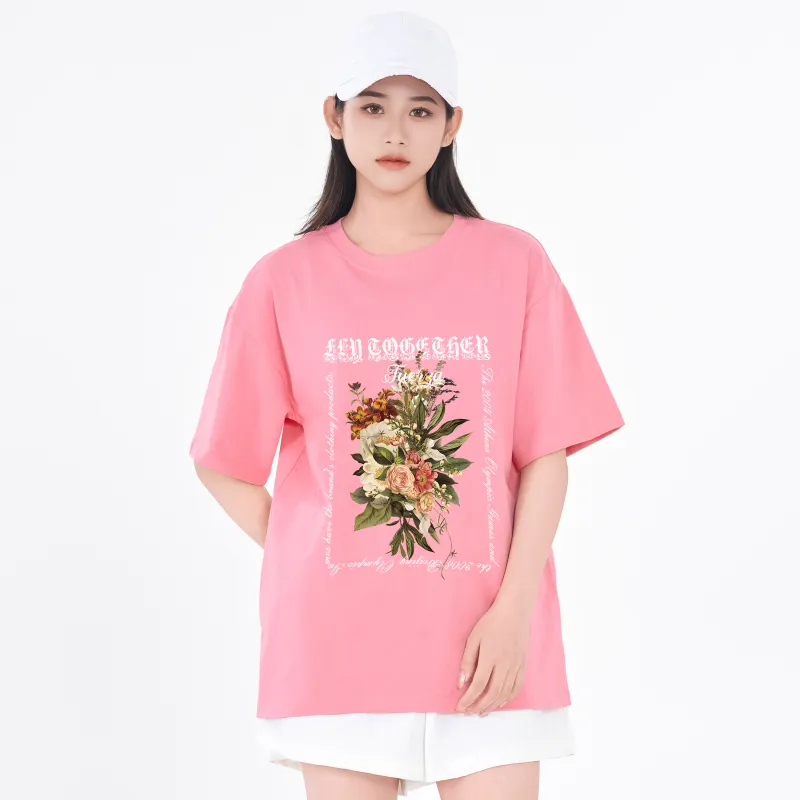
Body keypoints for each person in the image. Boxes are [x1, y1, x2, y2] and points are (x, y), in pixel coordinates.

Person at [189, 10, 625, 800]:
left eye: (421, 109)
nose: (396, 130)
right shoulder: (283, 280)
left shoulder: (514, 264)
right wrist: (306, 549)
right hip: (335, 644)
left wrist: (514, 611)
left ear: (452, 126)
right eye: (372, 106)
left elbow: (546, 454)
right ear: (335, 117)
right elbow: (224, 460)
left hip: (488, 643)